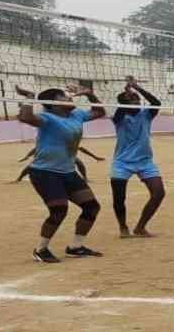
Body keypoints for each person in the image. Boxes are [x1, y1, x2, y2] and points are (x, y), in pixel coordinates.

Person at [15, 83, 106, 263]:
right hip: (44, 172)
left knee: (91, 207)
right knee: (59, 210)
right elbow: (26, 117)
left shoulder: (76, 115)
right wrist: (29, 97)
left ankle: (75, 247)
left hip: (68, 172)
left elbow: (99, 112)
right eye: (63, 97)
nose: (69, 98)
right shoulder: (47, 118)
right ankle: (40, 250)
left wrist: (90, 95)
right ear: (53, 103)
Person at [110, 76, 166, 238]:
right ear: (123, 104)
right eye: (132, 100)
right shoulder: (119, 119)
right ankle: (123, 227)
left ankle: (140, 227)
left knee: (159, 193)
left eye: (137, 99)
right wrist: (127, 95)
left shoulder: (146, 115)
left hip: (145, 161)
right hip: (122, 163)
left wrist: (137, 88)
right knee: (119, 198)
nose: (136, 101)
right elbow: (120, 111)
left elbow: (156, 103)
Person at [15, 146, 105, 183]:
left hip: (64, 155)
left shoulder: (67, 140)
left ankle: (85, 178)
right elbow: (37, 148)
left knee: (78, 162)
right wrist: (27, 156)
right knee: (32, 165)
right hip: (51, 155)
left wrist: (95, 157)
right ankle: (19, 178)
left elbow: (81, 148)